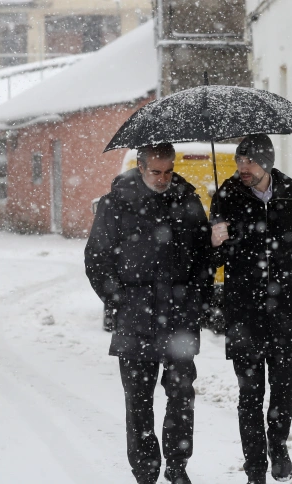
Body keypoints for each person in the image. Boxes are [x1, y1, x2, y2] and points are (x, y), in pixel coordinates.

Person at [85, 143, 213, 484]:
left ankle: (176, 467)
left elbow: (203, 260)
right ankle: (144, 472)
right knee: (139, 403)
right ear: (141, 168)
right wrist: (119, 300)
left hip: (179, 317)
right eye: (156, 171)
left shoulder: (188, 201)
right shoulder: (115, 204)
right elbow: (97, 259)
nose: (163, 178)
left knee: (182, 396)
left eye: (168, 170)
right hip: (135, 319)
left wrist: (200, 294)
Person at [209, 134, 292, 483]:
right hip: (244, 309)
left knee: (285, 385)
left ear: (267, 162)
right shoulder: (226, 196)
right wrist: (217, 241)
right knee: (250, 393)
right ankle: (255, 467)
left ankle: (278, 446)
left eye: (250, 161)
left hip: (286, 308)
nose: (242, 168)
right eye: (239, 161)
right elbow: (214, 256)